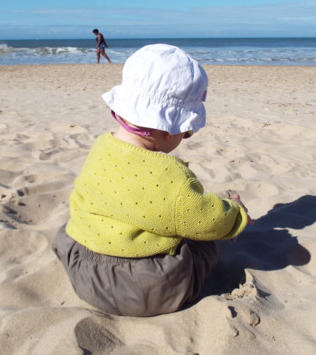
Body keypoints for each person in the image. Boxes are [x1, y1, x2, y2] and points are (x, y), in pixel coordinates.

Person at [53, 44, 252, 317]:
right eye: (187, 132)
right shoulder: (172, 178)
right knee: (202, 242)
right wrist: (236, 213)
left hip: (80, 266)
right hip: (142, 288)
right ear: (169, 131)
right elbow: (207, 220)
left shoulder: (101, 147)